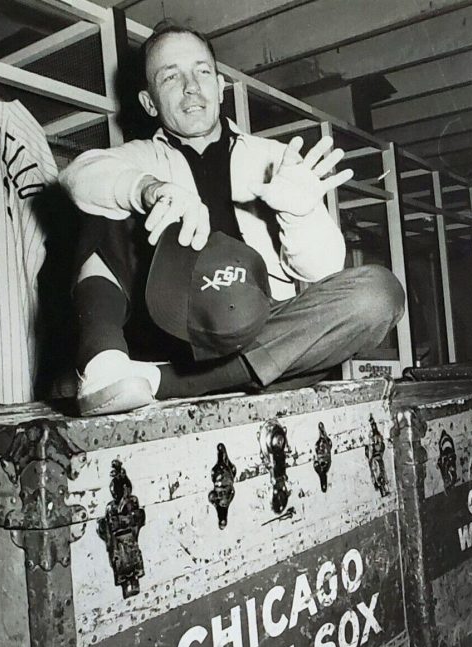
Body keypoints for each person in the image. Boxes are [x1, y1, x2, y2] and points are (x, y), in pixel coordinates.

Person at [59, 22, 405, 416]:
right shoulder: (135, 159)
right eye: (170, 76)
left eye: (202, 71)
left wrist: (300, 214)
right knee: (100, 207)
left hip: (264, 332)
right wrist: (147, 189)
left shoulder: (275, 157)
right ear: (149, 102)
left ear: (220, 85)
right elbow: (77, 177)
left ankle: (165, 383)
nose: (191, 86)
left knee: (379, 293)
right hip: (173, 330)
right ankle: (103, 362)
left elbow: (325, 268)